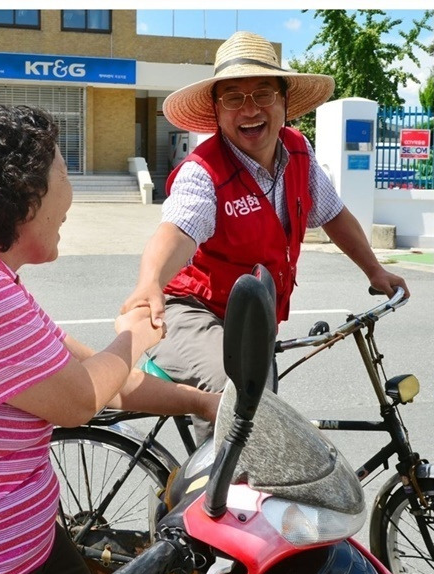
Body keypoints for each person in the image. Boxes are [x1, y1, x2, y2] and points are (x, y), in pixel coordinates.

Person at [0, 104, 220, 574]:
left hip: (32, 538)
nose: (70, 196)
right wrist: (135, 332)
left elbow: (94, 373)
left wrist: (200, 402)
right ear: (23, 192)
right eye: (64, 171)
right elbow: (79, 400)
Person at [122, 31, 409, 444]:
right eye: (234, 97)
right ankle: (211, 503)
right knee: (235, 395)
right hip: (191, 312)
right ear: (217, 112)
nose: (250, 109)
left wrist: (375, 269)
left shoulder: (299, 152)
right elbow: (178, 230)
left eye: (263, 93)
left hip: (253, 318)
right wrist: (149, 281)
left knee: (260, 418)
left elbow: (333, 214)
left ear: (284, 103)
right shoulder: (204, 172)